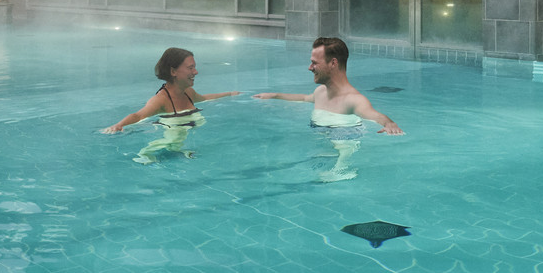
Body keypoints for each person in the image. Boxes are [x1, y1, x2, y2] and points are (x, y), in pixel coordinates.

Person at [253, 37, 403, 181]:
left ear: (333, 63)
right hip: (321, 150)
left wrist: (389, 124)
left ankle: (342, 169)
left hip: (343, 150)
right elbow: (304, 98)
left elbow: (374, 115)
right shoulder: (320, 93)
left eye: (314, 63)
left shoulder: (354, 100)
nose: (309, 68)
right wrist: (274, 95)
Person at [102, 47, 239, 164]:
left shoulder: (188, 92)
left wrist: (230, 94)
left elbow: (204, 98)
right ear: (173, 72)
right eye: (190, 68)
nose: (195, 72)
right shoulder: (161, 100)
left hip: (188, 135)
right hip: (172, 137)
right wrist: (118, 125)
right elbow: (139, 115)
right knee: (170, 141)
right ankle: (144, 157)